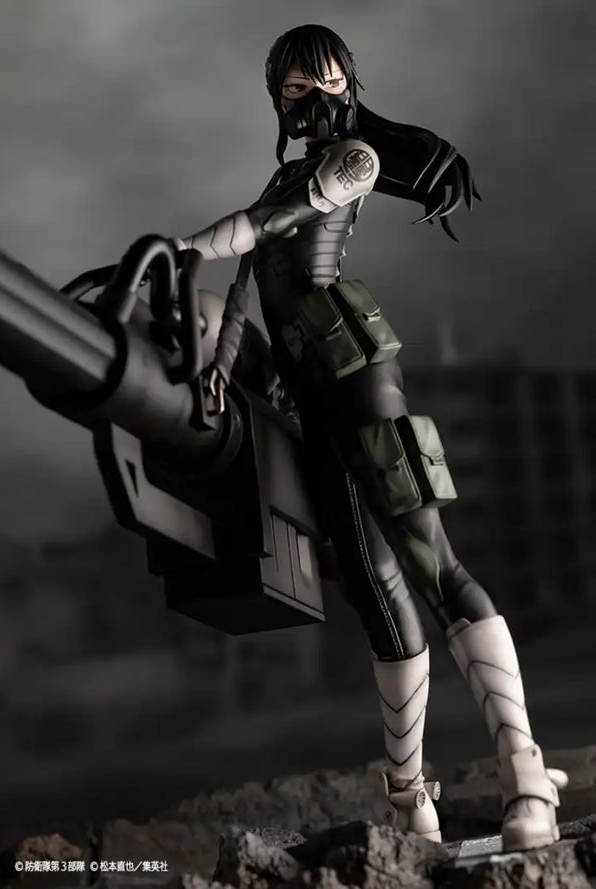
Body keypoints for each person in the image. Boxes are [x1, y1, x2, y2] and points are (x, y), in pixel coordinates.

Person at [171, 23, 566, 850]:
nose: (311, 99)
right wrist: (221, 366)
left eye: (325, 83)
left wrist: (179, 248)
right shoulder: (285, 173)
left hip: (353, 372)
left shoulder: (354, 160)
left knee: (432, 562)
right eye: (294, 88)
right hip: (311, 400)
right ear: (278, 99)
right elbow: (244, 295)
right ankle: (411, 805)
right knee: (377, 595)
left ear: (349, 87)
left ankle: (528, 777)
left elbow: (265, 226)